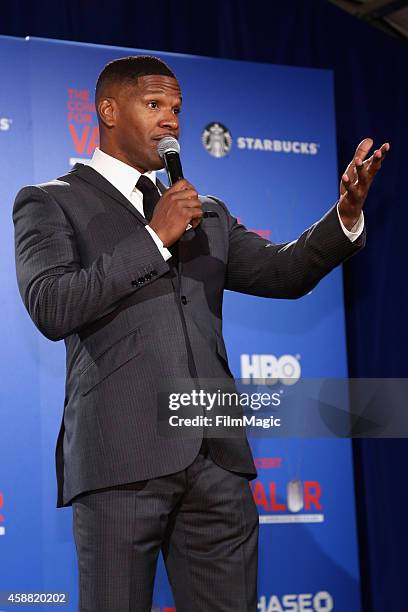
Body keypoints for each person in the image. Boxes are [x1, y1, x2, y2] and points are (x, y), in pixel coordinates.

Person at [12, 55, 389, 611]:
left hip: (218, 461)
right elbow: (51, 305)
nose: (171, 120)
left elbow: (285, 272)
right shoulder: (52, 200)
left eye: (177, 110)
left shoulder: (205, 212)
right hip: (121, 460)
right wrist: (154, 238)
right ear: (108, 111)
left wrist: (345, 215)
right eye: (155, 105)